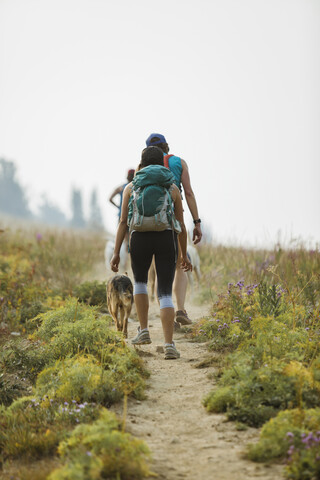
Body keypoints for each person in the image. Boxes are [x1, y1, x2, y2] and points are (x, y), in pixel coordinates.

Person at [110, 146, 192, 360]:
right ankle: (169, 345)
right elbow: (181, 225)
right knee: (165, 292)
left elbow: (122, 222)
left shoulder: (131, 186)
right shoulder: (172, 188)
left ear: (142, 163)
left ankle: (144, 330)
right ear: (161, 162)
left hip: (139, 239)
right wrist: (183, 254)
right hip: (165, 238)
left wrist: (117, 252)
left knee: (140, 284)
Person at [145, 133, 202, 326]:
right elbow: (188, 192)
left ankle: (164, 312)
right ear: (167, 147)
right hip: (174, 222)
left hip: (150, 222)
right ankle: (180, 310)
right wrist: (196, 222)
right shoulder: (180, 162)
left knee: (158, 267)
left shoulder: (144, 166)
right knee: (180, 264)